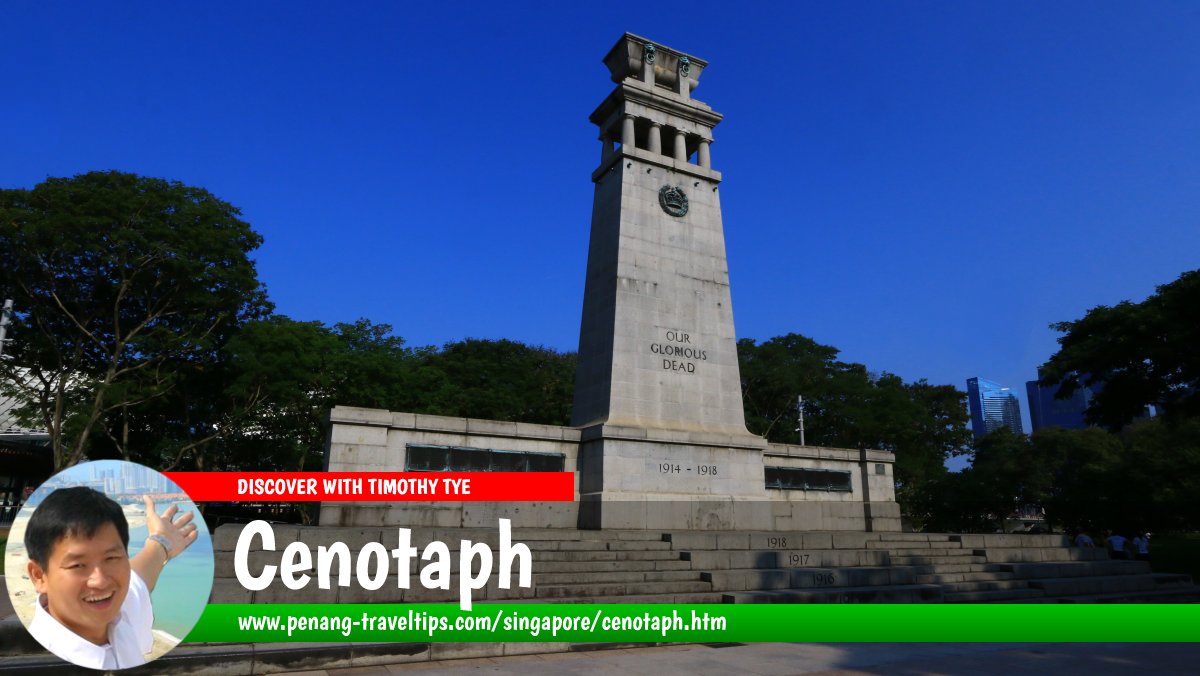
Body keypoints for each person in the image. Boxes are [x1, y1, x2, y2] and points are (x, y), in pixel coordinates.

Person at [23, 486, 198, 670]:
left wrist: (162, 541)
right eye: (77, 565)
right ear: (39, 576)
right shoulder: (38, 663)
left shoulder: (119, 613)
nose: (100, 581)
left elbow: (139, 576)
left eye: (111, 558)